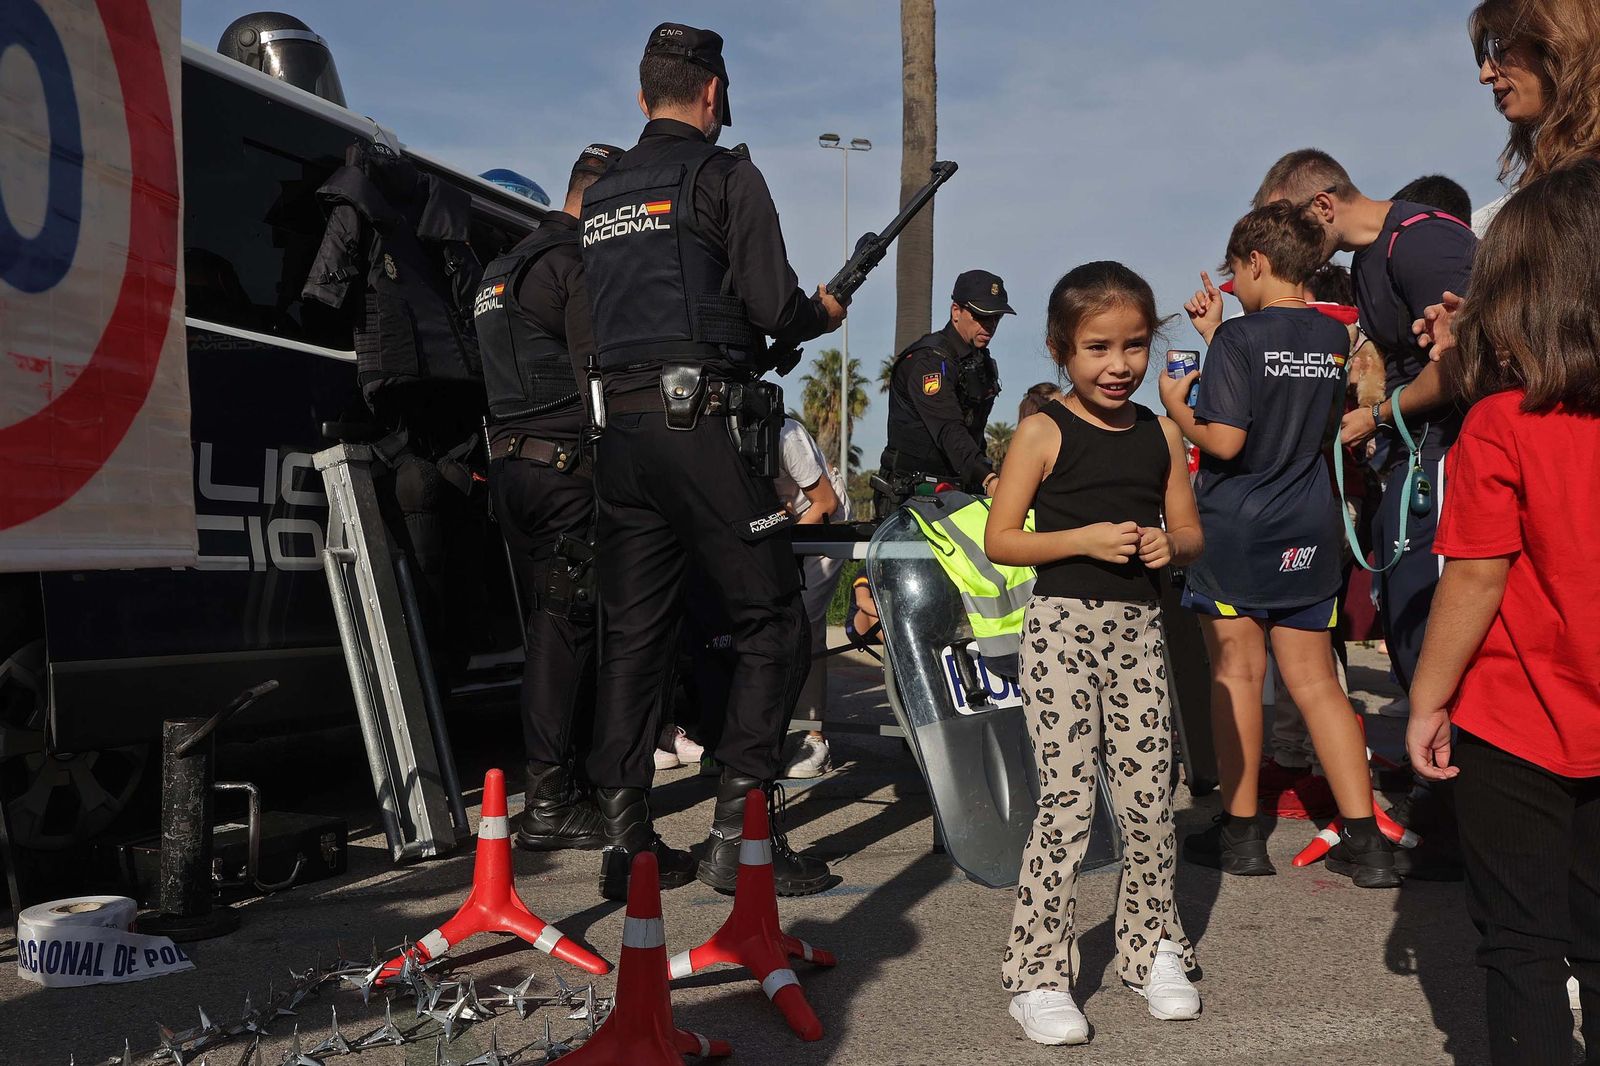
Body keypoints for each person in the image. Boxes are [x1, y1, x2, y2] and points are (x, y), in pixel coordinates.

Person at [577, 23, 847, 901]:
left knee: (635, 636)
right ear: (714, 93)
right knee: (774, 619)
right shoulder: (727, 175)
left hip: (620, 437)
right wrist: (819, 315)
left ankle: (629, 846)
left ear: (642, 95)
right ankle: (739, 838)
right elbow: (772, 306)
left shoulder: (603, 193)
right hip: (703, 430)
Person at [1407, 160, 1600, 1066]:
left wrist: (1426, 700)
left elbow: (1475, 579)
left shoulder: (1501, 423)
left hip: (1516, 719)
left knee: (1521, 944)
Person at [987, 261, 1203, 1045]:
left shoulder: (1161, 433)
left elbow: (1190, 532)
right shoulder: (1042, 431)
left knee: (1150, 801)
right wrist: (1080, 539)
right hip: (1061, 634)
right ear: (1061, 350)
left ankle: (1152, 950)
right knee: (1069, 804)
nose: (1119, 365)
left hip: (1139, 631)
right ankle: (1038, 974)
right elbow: (1001, 538)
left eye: (1134, 345)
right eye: (1098, 348)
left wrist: (1169, 545)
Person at [1164, 201, 1399, 888]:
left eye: (1236, 273)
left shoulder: (1240, 340)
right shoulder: (1332, 337)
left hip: (1238, 529)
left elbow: (1227, 439)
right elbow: (1285, 395)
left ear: (1257, 263)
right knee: (1319, 684)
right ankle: (1366, 839)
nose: (1234, 284)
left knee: (1237, 677)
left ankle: (1240, 837)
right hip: (1309, 527)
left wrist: (1178, 407)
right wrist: (1221, 333)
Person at [1254, 149, 1476, 720]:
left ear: (1323, 206)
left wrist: (1377, 416)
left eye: (1289, 223)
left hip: (1448, 456)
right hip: (1409, 457)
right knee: (1403, 612)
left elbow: (1470, 360)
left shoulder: (1422, 240)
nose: (1282, 243)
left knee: (1432, 619)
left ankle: (1457, 759)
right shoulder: (1368, 260)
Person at [477, 143, 623, 851]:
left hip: (511, 471)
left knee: (548, 628)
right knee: (566, 633)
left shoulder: (500, 268)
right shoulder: (574, 264)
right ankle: (551, 801)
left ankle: (561, 789)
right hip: (564, 473)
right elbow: (599, 380)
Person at [876, 271, 1012, 516]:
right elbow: (949, 429)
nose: (990, 325)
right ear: (956, 311)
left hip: (959, 494)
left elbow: (974, 434)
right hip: (913, 497)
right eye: (981, 316)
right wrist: (989, 479)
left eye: (996, 317)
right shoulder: (929, 361)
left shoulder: (980, 361)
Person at [773, 417, 850, 778]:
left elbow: (826, 502)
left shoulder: (786, 433)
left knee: (804, 618)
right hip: (784, 521)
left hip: (823, 520)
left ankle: (815, 740)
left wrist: (783, 556)